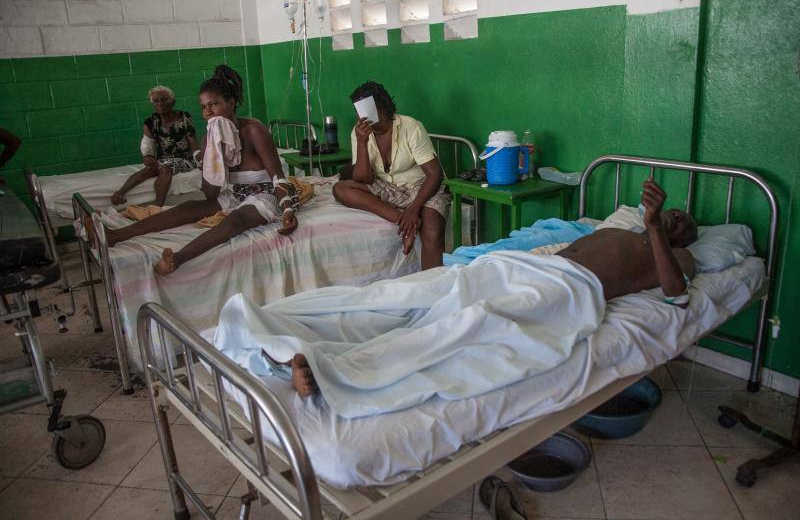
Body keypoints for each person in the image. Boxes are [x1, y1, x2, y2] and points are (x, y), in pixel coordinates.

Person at [287, 179, 697, 396]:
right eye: (675, 213)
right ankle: (312, 329)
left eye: (684, 222)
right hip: (537, 267)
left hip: (572, 289)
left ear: (686, 238)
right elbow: (563, 245)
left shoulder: (676, 256)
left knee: (471, 322)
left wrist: (656, 227)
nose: (678, 216)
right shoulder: (613, 229)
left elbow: (675, 295)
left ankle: (336, 371)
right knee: (429, 293)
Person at [92, 65, 299, 275]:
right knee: (188, 207)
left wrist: (288, 210)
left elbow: (278, 178)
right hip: (238, 192)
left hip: (269, 192)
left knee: (238, 219)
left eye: (214, 104)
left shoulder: (254, 130)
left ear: (232, 103)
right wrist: (211, 153)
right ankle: (115, 236)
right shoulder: (209, 138)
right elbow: (210, 193)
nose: (208, 112)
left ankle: (177, 259)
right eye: (203, 107)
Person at [332, 81, 451, 270]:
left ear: (382, 108)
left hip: (422, 188)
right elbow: (363, 179)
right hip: (389, 188)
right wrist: (362, 142)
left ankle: (432, 284)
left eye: (364, 108)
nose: (360, 115)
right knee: (340, 188)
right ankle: (401, 221)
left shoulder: (410, 127)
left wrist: (415, 208)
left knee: (433, 231)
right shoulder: (359, 134)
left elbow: (434, 174)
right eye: (357, 110)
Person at [111, 86, 198, 206]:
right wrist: (147, 157)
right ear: (153, 104)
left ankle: (157, 207)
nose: (160, 103)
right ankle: (119, 193)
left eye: (164, 100)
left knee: (165, 169)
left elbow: (193, 142)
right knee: (149, 169)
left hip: (185, 160)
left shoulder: (184, 118)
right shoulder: (150, 123)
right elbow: (147, 147)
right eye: (156, 101)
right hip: (163, 160)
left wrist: (200, 160)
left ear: (173, 102)